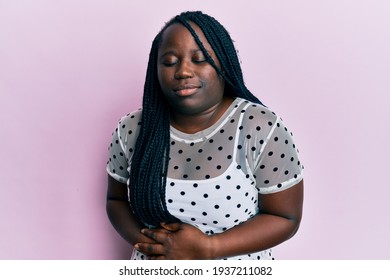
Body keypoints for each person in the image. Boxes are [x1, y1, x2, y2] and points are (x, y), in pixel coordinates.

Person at [106, 11, 304, 260]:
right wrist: (155, 246)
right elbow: (116, 199)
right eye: (169, 62)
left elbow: (285, 217)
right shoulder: (132, 129)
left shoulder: (260, 127)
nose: (183, 71)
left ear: (223, 63)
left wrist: (209, 248)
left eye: (200, 59)